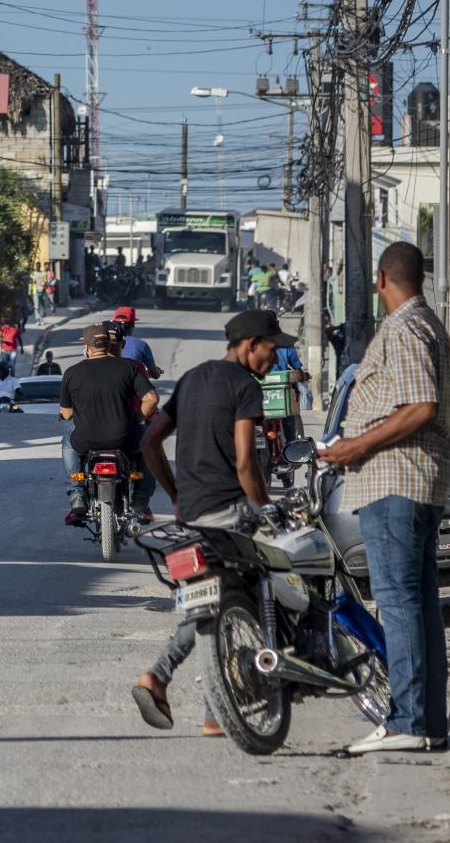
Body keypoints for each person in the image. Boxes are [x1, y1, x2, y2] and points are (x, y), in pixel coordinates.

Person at [319, 242, 450, 756]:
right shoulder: (425, 325)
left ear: (381, 280)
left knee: (399, 605)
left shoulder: (402, 329)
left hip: (395, 483)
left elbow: (421, 407)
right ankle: (428, 722)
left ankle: (407, 721)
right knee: (416, 605)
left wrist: (353, 445)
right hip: (411, 483)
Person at [132, 308, 287, 735]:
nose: (274, 360)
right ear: (250, 344)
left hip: (192, 516)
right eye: (271, 350)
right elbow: (244, 463)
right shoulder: (244, 386)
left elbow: (149, 441)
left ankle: (210, 710)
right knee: (254, 600)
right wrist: (266, 508)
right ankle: (174, 684)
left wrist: (177, 495)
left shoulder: (193, 379)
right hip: (230, 512)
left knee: (209, 604)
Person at [58, 324, 157, 527]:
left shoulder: (72, 372)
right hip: (124, 438)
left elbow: (66, 413)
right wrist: (136, 418)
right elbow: (152, 399)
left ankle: (77, 494)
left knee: (67, 442)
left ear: (88, 347)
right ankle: (140, 500)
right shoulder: (128, 367)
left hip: (86, 441)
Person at [112, 306, 162, 380]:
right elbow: (155, 375)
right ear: (133, 325)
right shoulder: (141, 345)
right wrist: (156, 371)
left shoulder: (104, 343)